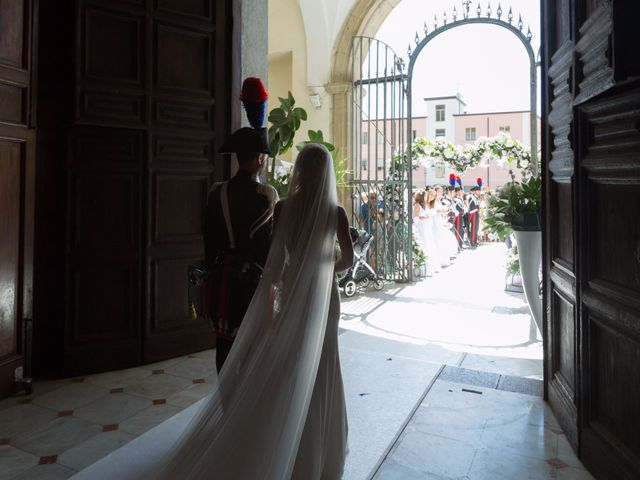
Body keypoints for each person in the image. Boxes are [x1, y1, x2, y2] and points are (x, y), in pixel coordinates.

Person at [136, 143, 354, 480]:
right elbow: (347, 261)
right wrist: (323, 269)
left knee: (291, 360)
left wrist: (287, 280)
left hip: (292, 290)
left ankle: (278, 434)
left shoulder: (282, 208)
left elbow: (276, 262)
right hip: (324, 297)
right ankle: (319, 449)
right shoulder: (335, 212)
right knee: (325, 360)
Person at [204, 126, 278, 372]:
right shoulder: (265, 195)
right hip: (252, 281)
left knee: (224, 346)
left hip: (222, 279)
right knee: (253, 346)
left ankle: (224, 401)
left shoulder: (217, 191)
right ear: (259, 158)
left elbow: (209, 238)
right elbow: (267, 244)